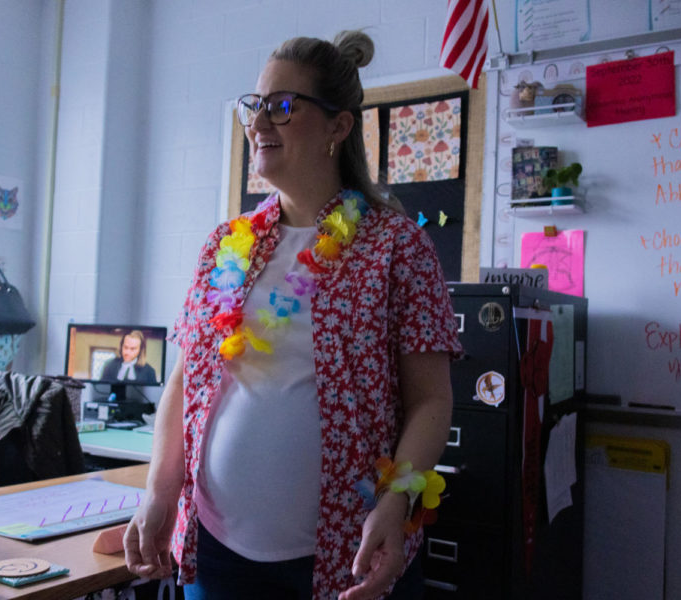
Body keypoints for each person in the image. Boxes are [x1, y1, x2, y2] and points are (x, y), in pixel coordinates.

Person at [124, 30, 462, 600]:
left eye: (282, 107)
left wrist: (398, 498)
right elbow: (184, 381)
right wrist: (159, 491)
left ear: (338, 125)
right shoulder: (225, 246)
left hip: (345, 551)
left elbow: (432, 398)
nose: (259, 124)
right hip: (217, 552)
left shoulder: (395, 246)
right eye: (254, 107)